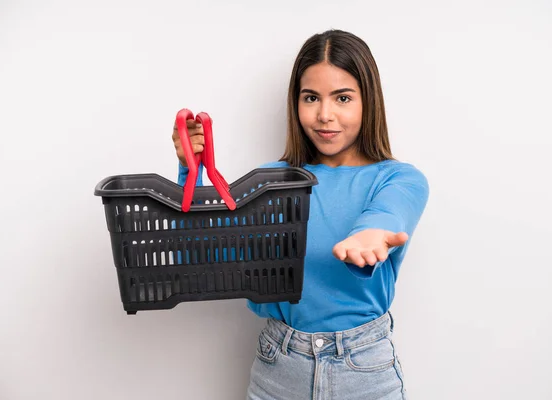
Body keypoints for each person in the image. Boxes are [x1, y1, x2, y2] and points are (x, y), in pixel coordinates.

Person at [172, 29, 429, 400]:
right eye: (311, 98)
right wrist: (190, 170)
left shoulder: (398, 178)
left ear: (368, 101)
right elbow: (200, 253)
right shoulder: (272, 183)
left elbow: (388, 212)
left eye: (343, 97)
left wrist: (372, 236)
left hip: (364, 371)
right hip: (280, 368)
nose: (325, 115)